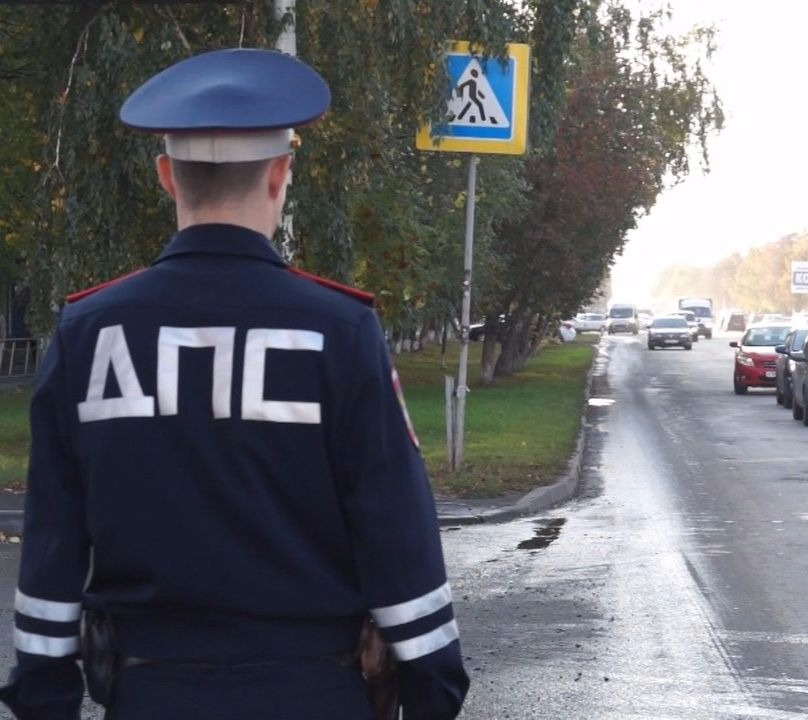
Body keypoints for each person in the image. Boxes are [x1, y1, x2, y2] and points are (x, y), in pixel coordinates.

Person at [0, 48, 469, 719]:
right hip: (315, 693)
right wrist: (432, 690)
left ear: (167, 177)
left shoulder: (89, 331)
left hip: (151, 694)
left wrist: (44, 697)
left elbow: (53, 539)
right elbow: (395, 531)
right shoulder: (337, 329)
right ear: (280, 175)